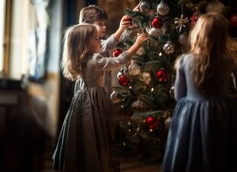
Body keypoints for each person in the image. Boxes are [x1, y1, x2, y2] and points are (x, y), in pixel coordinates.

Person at [52, 23, 148, 172]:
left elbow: (106, 44)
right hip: (93, 101)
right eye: (96, 39)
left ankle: (83, 163)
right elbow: (119, 61)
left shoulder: (82, 58)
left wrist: (120, 29)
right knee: (93, 133)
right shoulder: (94, 60)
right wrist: (137, 44)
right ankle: (93, 164)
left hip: (82, 99)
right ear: (84, 44)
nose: (100, 41)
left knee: (84, 133)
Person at [161, 13, 237, 172]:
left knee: (191, 151)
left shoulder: (184, 60)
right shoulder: (229, 61)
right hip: (221, 113)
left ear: (198, 34)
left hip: (192, 113)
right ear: (223, 36)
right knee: (219, 152)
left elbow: (179, 96)